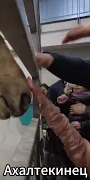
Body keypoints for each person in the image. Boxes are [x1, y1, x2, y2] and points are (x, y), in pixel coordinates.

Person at [30, 24, 90, 177]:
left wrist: (85, 113)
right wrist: (57, 104)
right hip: (60, 142)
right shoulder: (57, 89)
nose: (77, 86)